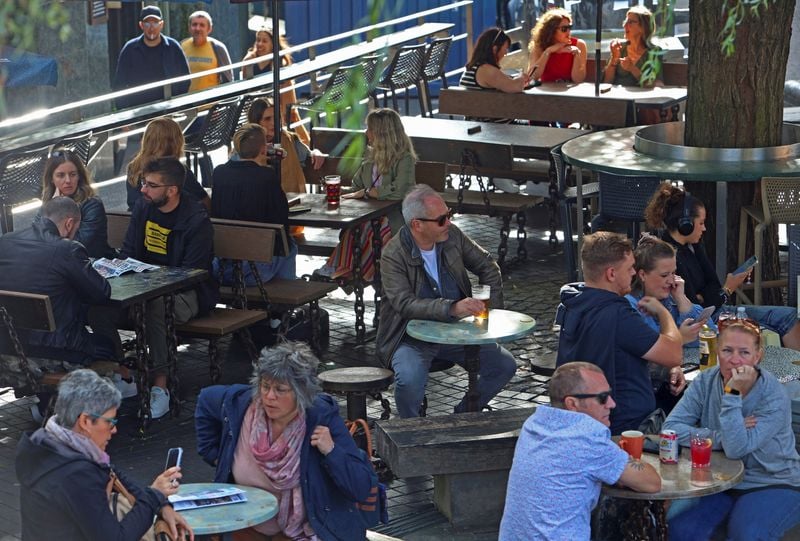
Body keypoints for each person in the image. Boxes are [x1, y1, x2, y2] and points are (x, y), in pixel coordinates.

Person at [195, 341, 378, 540]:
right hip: (247, 524)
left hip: (306, 529)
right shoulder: (241, 405)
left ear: (301, 393)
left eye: (280, 389)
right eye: (265, 386)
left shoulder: (321, 417)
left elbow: (361, 488)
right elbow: (205, 399)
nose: (269, 396)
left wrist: (332, 451)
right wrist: (217, 456)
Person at [376, 185, 517, 418]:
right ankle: (410, 430)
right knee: (409, 380)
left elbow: (488, 267)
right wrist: (451, 308)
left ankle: (462, 417)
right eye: (441, 219)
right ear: (417, 225)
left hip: (455, 331)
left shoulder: (453, 236)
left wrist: (491, 312)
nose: (449, 223)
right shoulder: (394, 254)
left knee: (504, 366)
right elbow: (404, 304)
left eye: (449, 214)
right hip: (408, 337)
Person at [93, 157, 217, 418]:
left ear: (171, 190)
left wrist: (149, 285)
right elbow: (129, 250)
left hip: (187, 294)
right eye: (143, 182)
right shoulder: (144, 207)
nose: (143, 189)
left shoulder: (196, 219)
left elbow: (192, 273)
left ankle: (161, 384)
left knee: (156, 306)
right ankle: (123, 374)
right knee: (98, 306)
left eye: (151, 185)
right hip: (142, 286)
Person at [15, 369, 193, 540]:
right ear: (85, 421)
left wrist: (162, 506)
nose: (114, 430)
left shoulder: (45, 442)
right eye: (110, 422)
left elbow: (112, 472)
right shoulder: (77, 473)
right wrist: (154, 494)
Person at [663, 322, 800, 540]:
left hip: (771, 481)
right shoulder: (705, 381)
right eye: (727, 350)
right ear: (717, 351)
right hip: (721, 480)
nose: (734, 360)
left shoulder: (773, 394)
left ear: (757, 356)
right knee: (682, 531)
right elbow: (670, 429)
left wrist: (732, 393)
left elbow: (736, 449)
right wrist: (719, 436)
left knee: (748, 534)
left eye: (744, 352)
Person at [499, 362, 661, 540]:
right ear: (572, 403)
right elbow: (651, 483)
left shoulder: (534, 423)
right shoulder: (586, 436)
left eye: (610, 395)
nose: (612, 403)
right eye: (602, 397)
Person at [644, 182, 800, 349]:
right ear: (686, 225)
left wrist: (713, 293)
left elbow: (713, 284)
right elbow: (699, 307)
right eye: (701, 223)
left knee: (789, 315)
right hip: (710, 319)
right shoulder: (671, 257)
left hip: (718, 308)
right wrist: (727, 289)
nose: (704, 228)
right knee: (775, 324)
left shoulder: (694, 245)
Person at [555, 231, 684, 434]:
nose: (634, 273)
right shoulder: (616, 314)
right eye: (630, 267)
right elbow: (674, 354)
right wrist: (663, 312)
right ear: (611, 274)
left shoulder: (574, 302)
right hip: (625, 426)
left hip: (584, 417)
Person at [0, 196, 113, 366]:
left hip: (8, 346)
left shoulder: (5, 241)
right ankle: (124, 380)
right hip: (58, 350)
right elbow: (102, 293)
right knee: (107, 346)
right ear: (69, 224)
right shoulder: (67, 249)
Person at [320, 108, 417, 282]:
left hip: (395, 217)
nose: (366, 133)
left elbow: (400, 191)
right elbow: (357, 187)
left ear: (382, 133)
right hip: (369, 215)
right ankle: (343, 271)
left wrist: (369, 192)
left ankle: (347, 272)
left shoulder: (405, 159)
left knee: (377, 228)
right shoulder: (370, 157)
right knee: (358, 225)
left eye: (370, 129)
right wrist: (341, 192)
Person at [626, 234, 712, 412]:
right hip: (644, 396)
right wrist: (680, 338)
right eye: (665, 275)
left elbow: (710, 334)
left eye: (674, 273)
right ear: (642, 274)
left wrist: (682, 299)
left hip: (668, 384)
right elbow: (648, 354)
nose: (671, 280)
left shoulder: (670, 298)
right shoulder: (631, 306)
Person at [211, 123, 297, 284]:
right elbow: (281, 218)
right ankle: (287, 292)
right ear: (263, 149)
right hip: (256, 270)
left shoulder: (219, 173)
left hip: (221, 267)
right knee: (289, 245)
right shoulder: (266, 176)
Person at [112, 5, 190, 110]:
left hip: (168, 108)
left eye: (155, 23)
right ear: (141, 25)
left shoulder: (173, 47)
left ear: (161, 24)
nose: (152, 28)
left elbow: (185, 78)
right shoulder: (130, 49)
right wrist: (124, 112)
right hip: (138, 110)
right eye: (147, 23)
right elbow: (119, 83)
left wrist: (176, 104)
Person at [40, 149, 114, 258]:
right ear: (51, 179)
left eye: (73, 174)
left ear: (79, 176)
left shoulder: (92, 204)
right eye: (61, 175)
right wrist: (55, 204)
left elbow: (77, 246)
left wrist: (59, 208)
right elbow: (36, 236)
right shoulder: (49, 203)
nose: (68, 180)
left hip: (90, 260)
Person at [242, 27, 310, 146]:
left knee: (292, 115)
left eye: (264, 41)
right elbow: (245, 91)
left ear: (273, 44)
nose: (260, 44)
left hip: (277, 108)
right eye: (258, 40)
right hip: (256, 108)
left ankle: (305, 145)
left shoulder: (278, 64)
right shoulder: (249, 62)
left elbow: (289, 106)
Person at [126, 117, 210, 212]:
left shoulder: (133, 167)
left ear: (145, 140)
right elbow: (204, 201)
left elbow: (133, 203)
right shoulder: (178, 171)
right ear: (177, 142)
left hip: (136, 218)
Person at [246, 96, 325, 195]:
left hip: (292, 199)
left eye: (276, 117)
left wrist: (316, 153)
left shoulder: (289, 139)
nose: (273, 123)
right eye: (267, 119)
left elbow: (308, 155)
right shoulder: (246, 145)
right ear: (256, 122)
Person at [460, 27, 531, 123]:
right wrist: (521, 77)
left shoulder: (474, 67)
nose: (505, 53)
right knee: (536, 124)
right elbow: (515, 86)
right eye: (505, 49)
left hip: (478, 124)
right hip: (494, 127)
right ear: (495, 49)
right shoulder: (486, 70)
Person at [603, 6, 662, 88]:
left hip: (641, 95)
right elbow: (606, 82)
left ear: (643, 27)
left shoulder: (654, 52)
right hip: (617, 94)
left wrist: (632, 69)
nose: (625, 25)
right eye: (626, 21)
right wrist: (614, 58)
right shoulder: (620, 47)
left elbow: (658, 85)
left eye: (630, 22)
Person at [527, 8, 587, 83]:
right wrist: (548, 51)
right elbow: (532, 77)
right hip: (547, 89)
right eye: (564, 29)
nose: (568, 32)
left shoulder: (578, 45)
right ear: (551, 31)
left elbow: (578, 79)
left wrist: (576, 55)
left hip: (569, 89)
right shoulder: (539, 46)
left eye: (569, 27)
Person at [180, 10, 233, 93]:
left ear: (209, 29)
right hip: (186, 99)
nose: (197, 28)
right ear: (189, 27)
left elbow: (228, 78)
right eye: (194, 24)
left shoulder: (218, 47)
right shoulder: (182, 46)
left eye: (202, 25)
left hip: (210, 99)